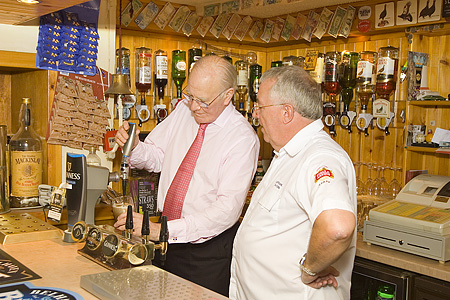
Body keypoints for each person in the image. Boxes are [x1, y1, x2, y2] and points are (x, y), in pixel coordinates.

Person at [114, 55, 260, 296]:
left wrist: (163, 230)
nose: (193, 106)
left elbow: (226, 211)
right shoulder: (185, 111)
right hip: (164, 238)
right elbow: (158, 155)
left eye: (202, 101)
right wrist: (134, 147)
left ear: (228, 95)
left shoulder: (242, 139)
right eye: (190, 95)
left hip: (204, 252)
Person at [229, 65, 357, 300]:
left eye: (260, 106)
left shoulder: (319, 157)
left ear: (286, 112)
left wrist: (310, 269)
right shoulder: (289, 154)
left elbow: (337, 227)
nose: (255, 114)